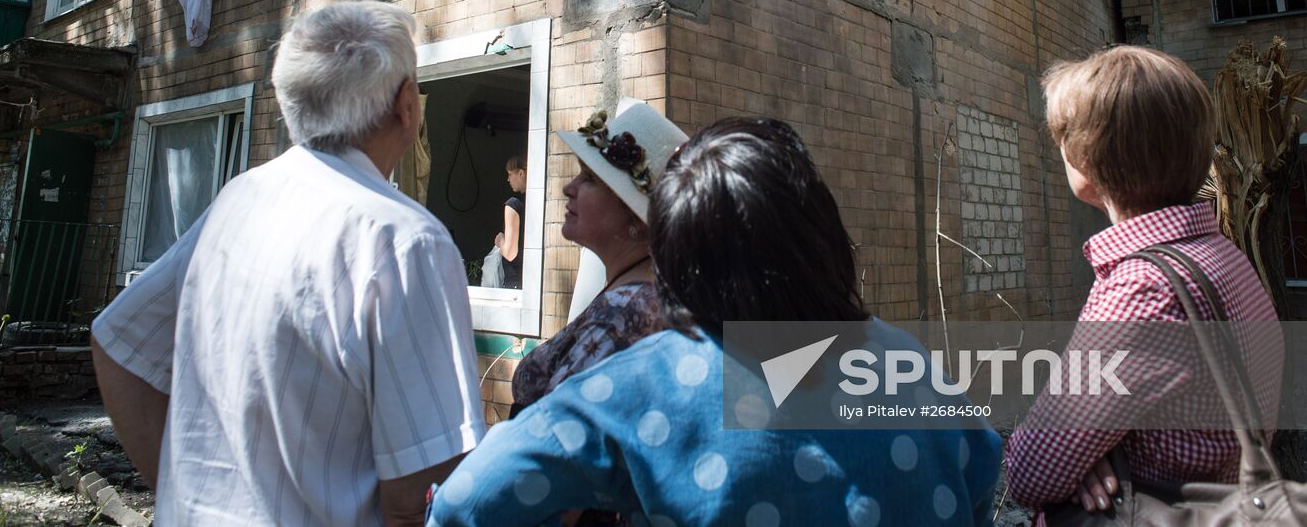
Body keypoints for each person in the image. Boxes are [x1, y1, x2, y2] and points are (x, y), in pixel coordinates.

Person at [426, 117, 1001, 526]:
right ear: (821, 231)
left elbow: (467, 502)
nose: (570, 188)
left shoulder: (649, 380)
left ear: (677, 244)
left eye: (593, 177)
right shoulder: (903, 358)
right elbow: (982, 475)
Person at [90, 0, 485, 526]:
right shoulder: (403, 240)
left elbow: (118, 344)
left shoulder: (239, 198)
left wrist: (184, 498)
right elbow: (424, 492)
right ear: (407, 105)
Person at [1005, 45, 1282, 516]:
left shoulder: (1142, 290)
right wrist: (1091, 453)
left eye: (1063, 138)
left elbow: (1031, 473)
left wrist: (1086, 459)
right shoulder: (1217, 255)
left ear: (1085, 161)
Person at [507, 100, 684, 419]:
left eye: (588, 178)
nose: (567, 188)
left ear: (635, 217)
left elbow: (553, 435)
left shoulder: (621, 314)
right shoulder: (645, 295)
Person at [495, 155, 526, 289]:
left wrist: (500, 239)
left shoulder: (513, 205)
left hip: (514, 283)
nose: (508, 179)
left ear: (521, 173)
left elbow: (510, 253)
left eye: (509, 174)